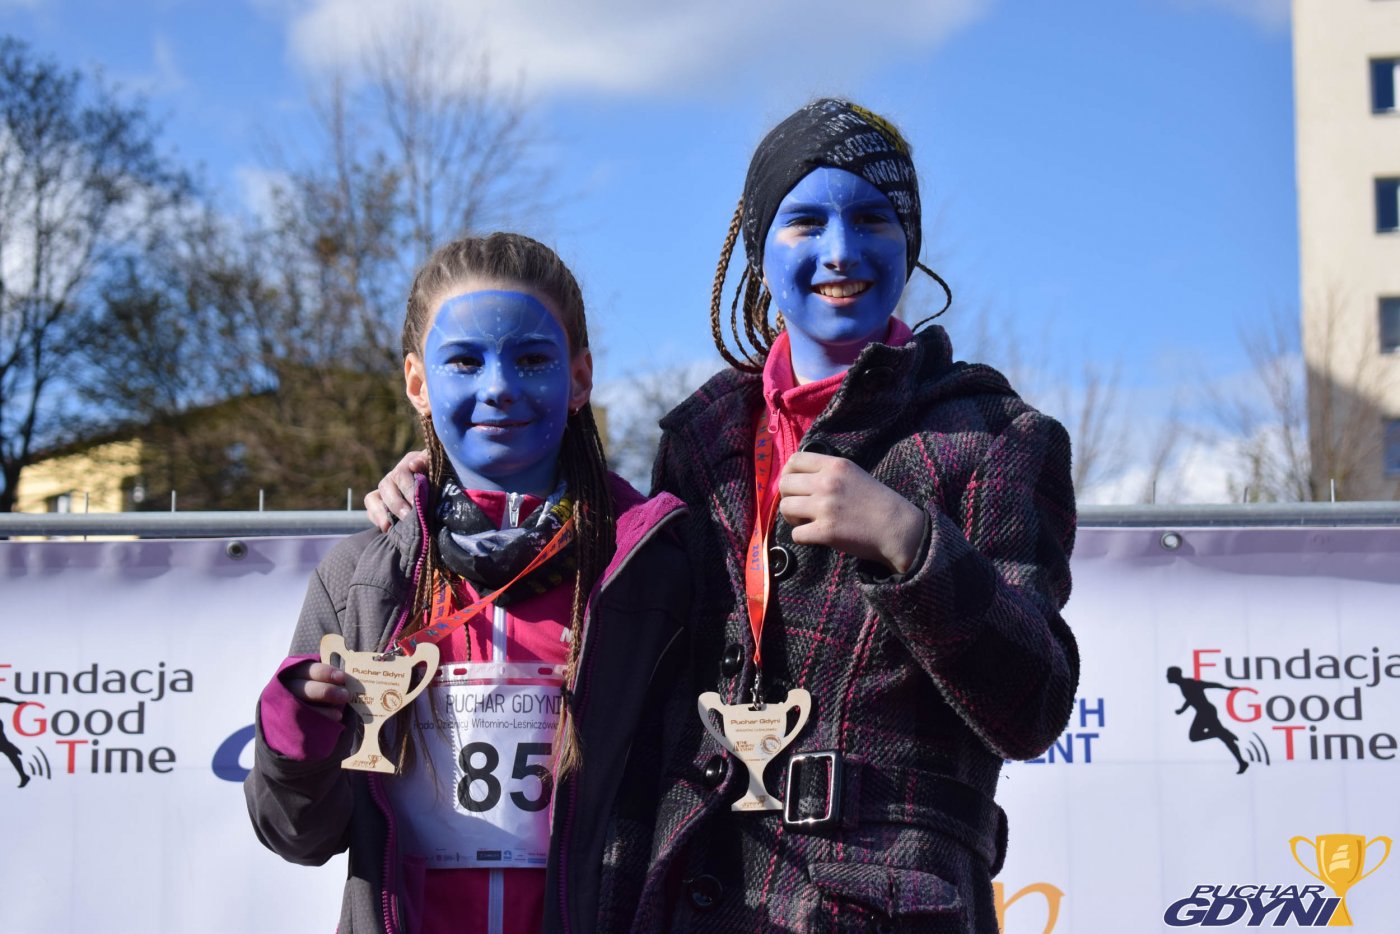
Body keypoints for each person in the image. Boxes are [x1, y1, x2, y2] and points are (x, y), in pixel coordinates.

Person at [369, 99, 1079, 933]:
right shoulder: (701, 436)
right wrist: (436, 488)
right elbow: (596, 566)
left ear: (909, 246)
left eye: (874, 221)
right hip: (694, 899)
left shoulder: (997, 437)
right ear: (758, 251)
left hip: (893, 908)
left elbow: (1032, 706)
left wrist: (910, 542)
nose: (840, 251)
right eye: (804, 221)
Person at [245, 233, 689, 934]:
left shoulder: (651, 571)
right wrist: (295, 734)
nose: (499, 387)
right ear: (418, 384)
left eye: (532, 359)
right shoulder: (361, 577)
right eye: (464, 360)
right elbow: (295, 835)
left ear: (580, 379)